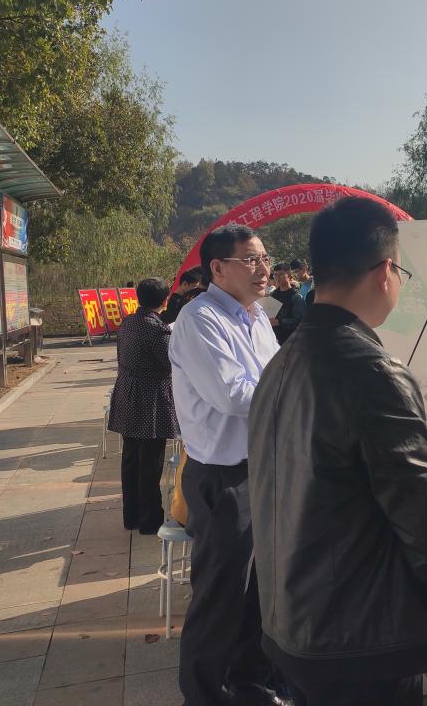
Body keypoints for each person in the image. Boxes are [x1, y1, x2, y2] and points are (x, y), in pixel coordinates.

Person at [248, 197, 427, 706]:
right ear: (386, 272)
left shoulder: (283, 361)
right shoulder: (370, 370)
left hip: (297, 622)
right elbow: (426, 514)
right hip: (358, 641)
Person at [168, 224, 283, 706]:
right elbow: (233, 395)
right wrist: (298, 391)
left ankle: (250, 684)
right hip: (222, 477)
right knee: (221, 594)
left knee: (259, 589)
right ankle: (205, 694)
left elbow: (274, 374)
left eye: (265, 259)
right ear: (218, 268)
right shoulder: (200, 319)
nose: (263, 269)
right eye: (251, 260)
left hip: (260, 468)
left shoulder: (256, 316)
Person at [107, 277, 179, 535]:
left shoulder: (128, 322)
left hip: (127, 394)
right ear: (165, 300)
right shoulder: (157, 329)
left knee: (131, 459)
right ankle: (150, 521)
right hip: (150, 400)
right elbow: (171, 363)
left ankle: (132, 516)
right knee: (150, 461)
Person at [268, 263, 307, 345]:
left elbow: (300, 321)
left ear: (289, 275)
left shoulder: (296, 298)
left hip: (289, 342)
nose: (278, 277)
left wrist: (279, 322)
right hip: (272, 339)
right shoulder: (273, 295)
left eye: (281, 274)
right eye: (275, 275)